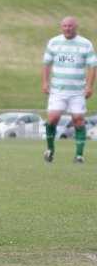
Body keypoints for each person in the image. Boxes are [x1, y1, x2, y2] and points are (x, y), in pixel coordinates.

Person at [42, 16, 96, 163]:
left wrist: (90, 86)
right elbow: (46, 63)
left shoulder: (85, 44)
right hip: (58, 90)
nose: (67, 28)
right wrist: (45, 82)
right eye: (65, 26)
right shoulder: (54, 42)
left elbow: (92, 66)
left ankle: (79, 155)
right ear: (61, 27)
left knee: (78, 120)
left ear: (75, 27)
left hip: (77, 91)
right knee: (52, 118)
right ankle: (50, 150)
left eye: (70, 26)